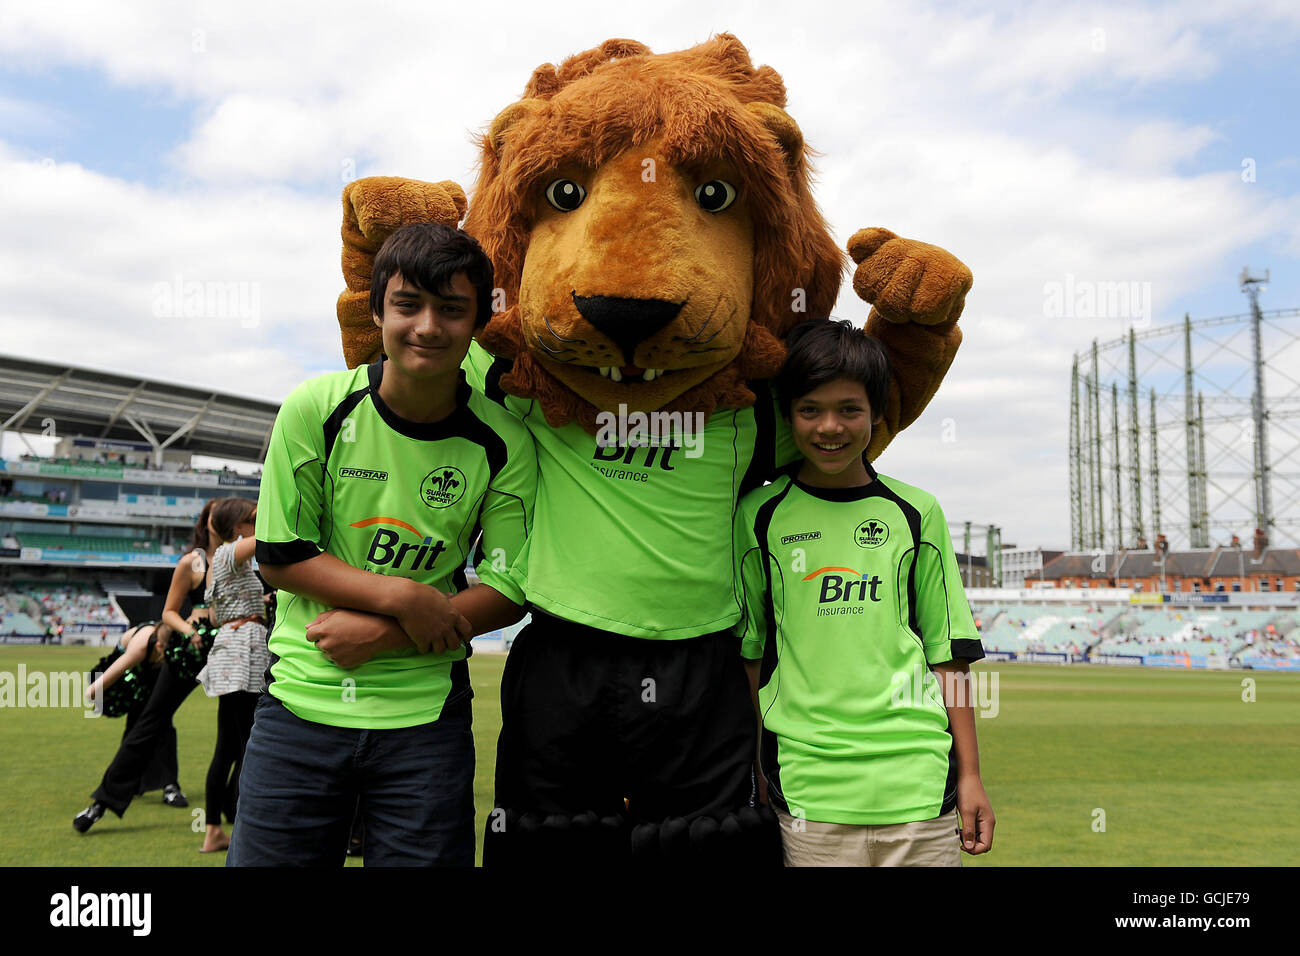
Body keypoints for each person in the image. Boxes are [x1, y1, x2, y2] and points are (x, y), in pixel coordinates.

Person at [226, 222, 535, 867]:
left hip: (426, 723)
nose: (428, 326)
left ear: (477, 324)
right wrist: (403, 596)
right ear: (376, 312)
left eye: (452, 310)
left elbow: (508, 589)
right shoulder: (315, 407)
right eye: (408, 305)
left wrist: (390, 632)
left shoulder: (504, 440)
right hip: (299, 708)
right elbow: (283, 555)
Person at [733, 318, 995, 866]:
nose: (830, 427)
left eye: (849, 409)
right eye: (811, 409)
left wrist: (970, 776)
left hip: (920, 786)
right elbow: (751, 656)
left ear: (876, 414)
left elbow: (949, 656)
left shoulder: (916, 512)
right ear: (788, 414)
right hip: (808, 791)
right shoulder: (760, 516)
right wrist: (755, 770)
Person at [73, 501, 220, 833]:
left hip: (237, 649)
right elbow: (169, 613)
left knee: (240, 731)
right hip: (186, 652)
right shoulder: (194, 562)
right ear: (210, 524)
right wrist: (188, 630)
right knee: (151, 721)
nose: (244, 522)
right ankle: (105, 802)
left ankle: (233, 809)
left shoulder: (242, 555)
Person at [195, 497, 265, 853]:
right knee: (248, 746)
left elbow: (212, 615)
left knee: (228, 747)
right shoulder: (228, 553)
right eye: (252, 518)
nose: (258, 522)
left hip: (231, 650)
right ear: (238, 528)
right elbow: (273, 534)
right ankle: (238, 826)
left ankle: (214, 829)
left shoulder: (218, 562)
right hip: (244, 653)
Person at [80, 621, 183, 806]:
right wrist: (94, 695)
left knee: (163, 721)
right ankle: (131, 782)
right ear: (160, 647)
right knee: (137, 725)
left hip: (150, 671)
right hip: (127, 675)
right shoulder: (140, 647)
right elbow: (94, 689)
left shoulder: (173, 647)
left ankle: (169, 786)